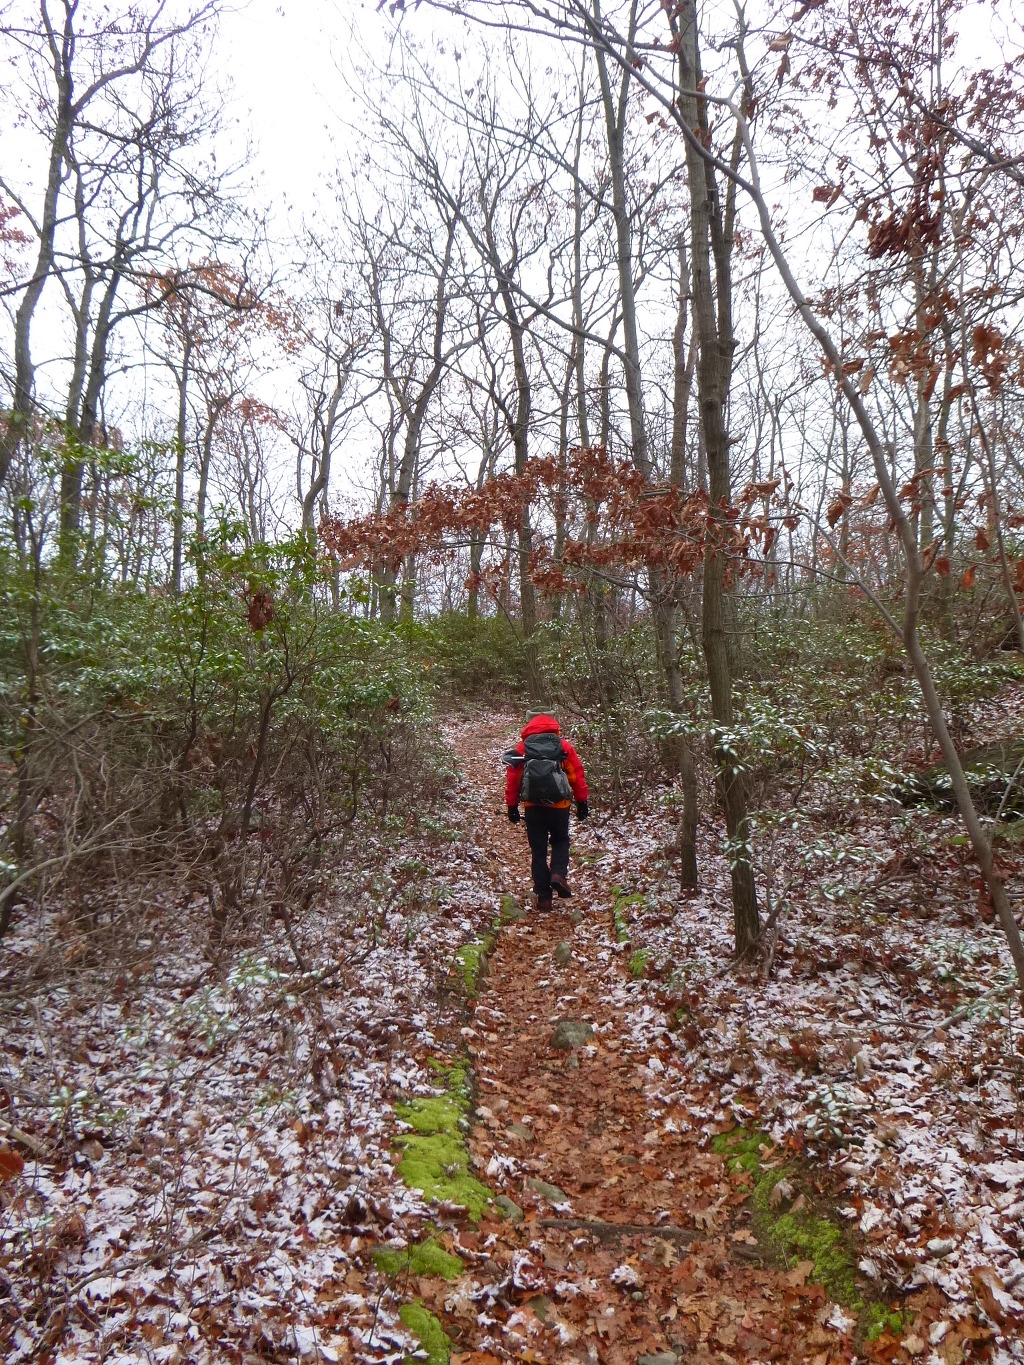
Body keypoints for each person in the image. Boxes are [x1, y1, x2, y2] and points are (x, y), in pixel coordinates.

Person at [503, 709, 589, 913]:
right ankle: (558, 874)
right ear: (553, 724)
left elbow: (513, 779)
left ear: (528, 725)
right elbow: (576, 774)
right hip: (560, 806)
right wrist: (582, 801)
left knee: (538, 850)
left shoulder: (522, 748)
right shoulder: (563, 746)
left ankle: (543, 897)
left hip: (533, 807)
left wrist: (511, 805)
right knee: (560, 840)